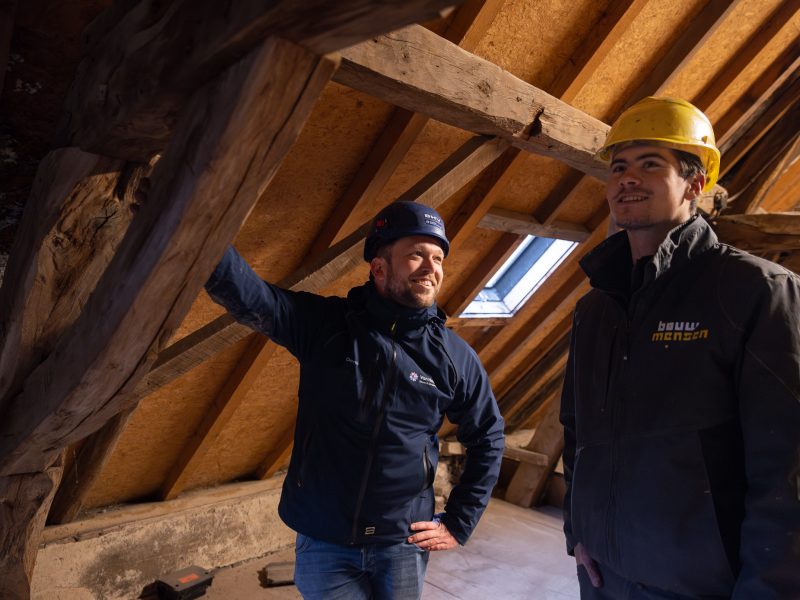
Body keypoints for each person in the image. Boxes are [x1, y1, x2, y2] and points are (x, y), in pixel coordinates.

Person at [560, 96, 800, 599]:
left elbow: (787, 466)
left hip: (699, 587)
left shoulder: (756, 292)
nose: (627, 178)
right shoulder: (595, 309)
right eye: (619, 166)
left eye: (651, 164)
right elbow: (578, 430)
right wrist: (577, 531)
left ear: (696, 183)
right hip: (601, 575)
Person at [205, 200, 505, 599]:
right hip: (324, 538)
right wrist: (198, 228)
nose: (431, 268)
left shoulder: (453, 357)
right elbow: (252, 297)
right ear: (378, 268)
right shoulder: (326, 327)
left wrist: (459, 521)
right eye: (416, 255)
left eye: (437, 258)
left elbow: (489, 434)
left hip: (402, 540)